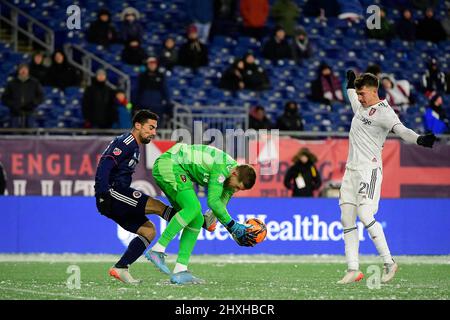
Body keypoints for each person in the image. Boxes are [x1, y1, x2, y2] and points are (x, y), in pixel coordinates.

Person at [338, 70, 437, 284]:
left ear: (374, 92)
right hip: (351, 171)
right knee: (346, 218)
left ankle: (389, 262)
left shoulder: (384, 112)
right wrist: (349, 84)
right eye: (358, 93)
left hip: (369, 171)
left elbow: (402, 131)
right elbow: (351, 96)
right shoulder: (360, 106)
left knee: (365, 214)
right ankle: (353, 269)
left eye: (362, 93)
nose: (359, 97)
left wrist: (419, 139)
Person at [95, 111, 217, 284]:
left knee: (149, 231)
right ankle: (202, 222)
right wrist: (102, 192)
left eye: (155, 129)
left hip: (116, 195)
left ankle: (121, 267)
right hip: (112, 193)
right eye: (150, 127)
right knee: (158, 206)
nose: (154, 132)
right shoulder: (126, 142)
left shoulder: (134, 146)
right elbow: (105, 164)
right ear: (138, 125)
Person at [144, 143, 257, 284]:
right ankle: (157, 250)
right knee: (193, 207)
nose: (236, 190)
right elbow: (213, 202)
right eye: (237, 187)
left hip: (177, 169)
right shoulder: (222, 167)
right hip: (169, 164)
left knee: (197, 219)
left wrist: (216, 223)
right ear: (234, 174)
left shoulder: (232, 179)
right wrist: (233, 226)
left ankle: (180, 270)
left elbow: (219, 207)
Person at [1, 63, 44, 128]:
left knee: (30, 135)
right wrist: (13, 105)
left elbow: (41, 97)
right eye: (21, 69)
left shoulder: (35, 82)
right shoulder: (11, 83)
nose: (23, 71)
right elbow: (4, 98)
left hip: (30, 113)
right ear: (18, 70)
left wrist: (33, 104)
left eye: (25, 69)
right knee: (15, 135)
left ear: (28, 71)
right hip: (15, 114)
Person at [135, 57, 172, 127]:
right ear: (147, 64)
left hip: (157, 105)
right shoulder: (142, 76)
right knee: (144, 125)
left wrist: (168, 105)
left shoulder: (161, 76)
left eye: (154, 63)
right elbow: (138, 91)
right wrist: (136, 105)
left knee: (157, 124)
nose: (152, 65)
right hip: (144, 105)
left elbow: (165, 90)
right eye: (150, 63)